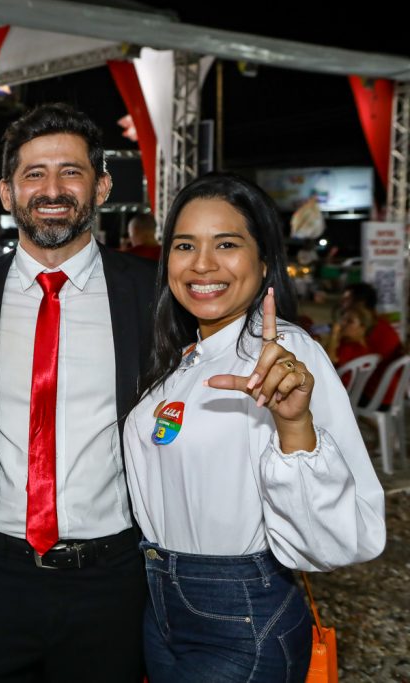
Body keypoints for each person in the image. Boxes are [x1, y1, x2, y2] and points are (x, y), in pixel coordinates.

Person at [0, 103, 154, 682]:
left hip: (114, 580)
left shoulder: (152, 297)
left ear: (101, 186)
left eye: (70, 172)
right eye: (33, 173)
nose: (52, 188)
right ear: (5, 191)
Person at [123, 173, 386, 682]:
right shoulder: (183, 359)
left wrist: (294, 426)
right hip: (161, 609)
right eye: (185, 245)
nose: (202, 263)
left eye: (226, 243)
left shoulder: (284, 356)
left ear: (264, 262)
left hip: (242, 616)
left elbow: (338, 539)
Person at [339, 282, 403, 404]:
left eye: (346, 299)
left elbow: (337, 364)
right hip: (392, 391)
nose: (342, 303)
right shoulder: (383, 325)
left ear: (360, 304)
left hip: (374, 393)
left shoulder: (361, 331)